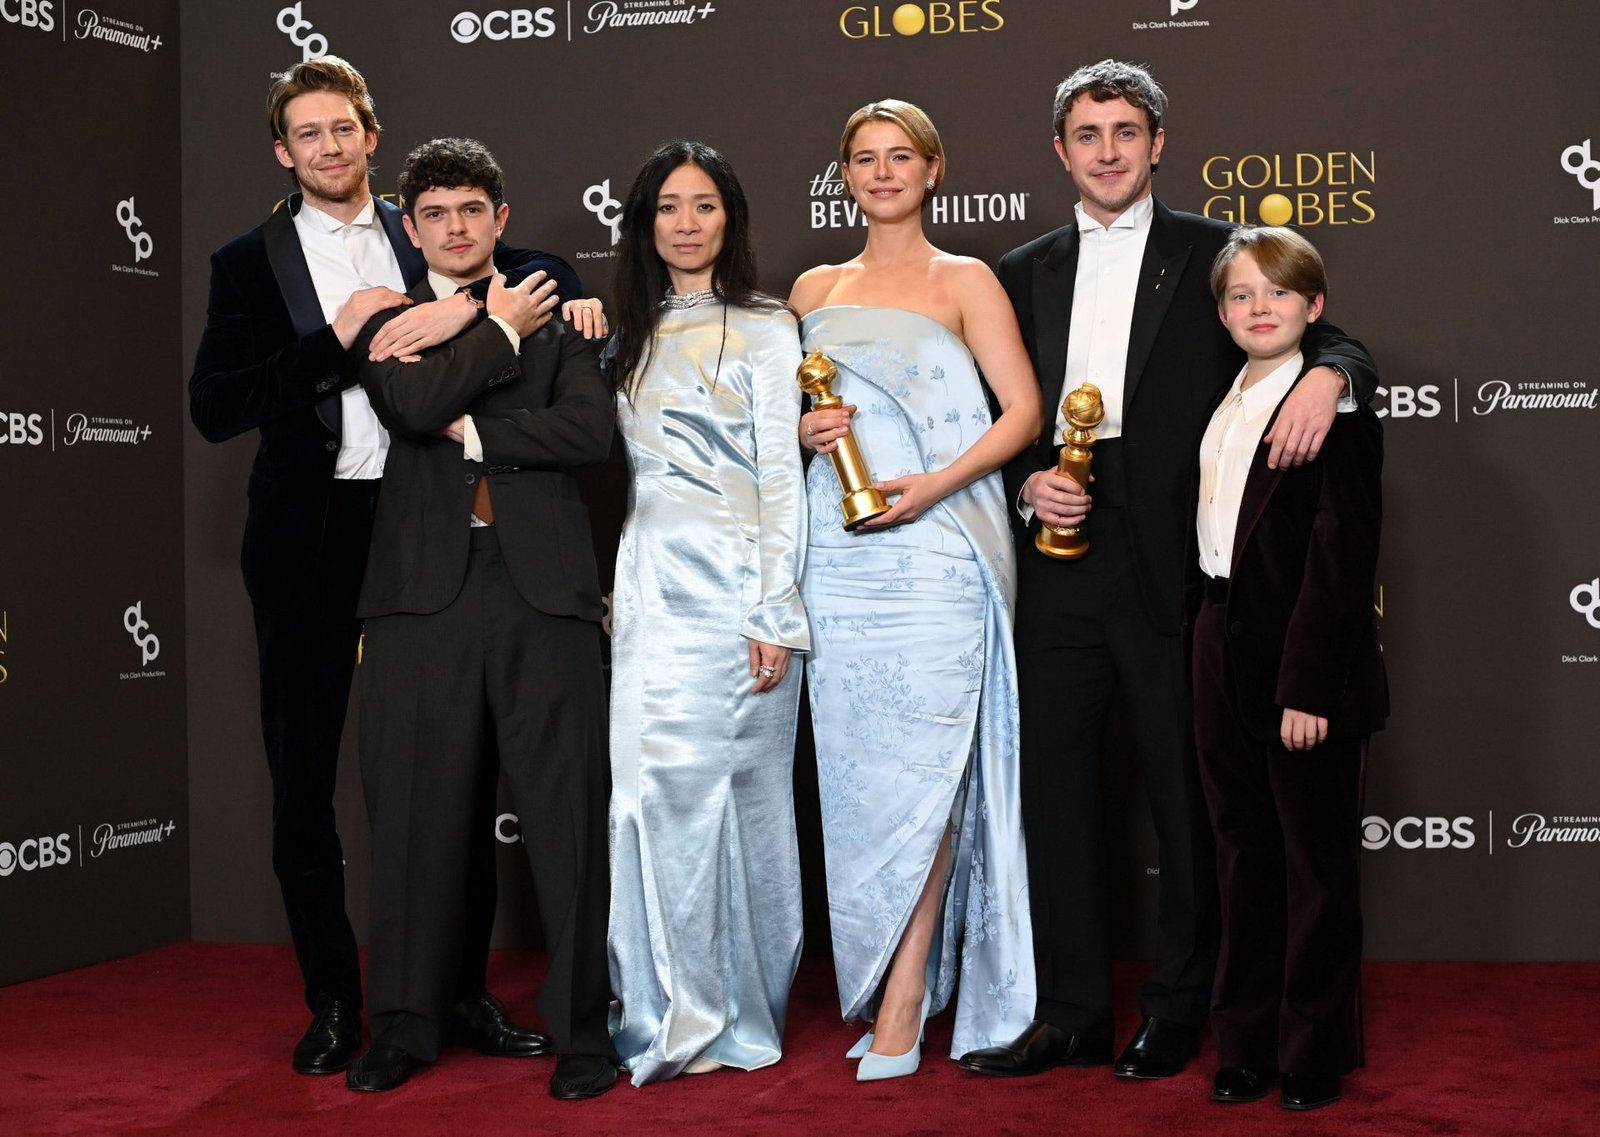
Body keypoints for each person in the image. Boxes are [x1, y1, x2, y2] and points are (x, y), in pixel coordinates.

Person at [958, 59, 1377, 1082]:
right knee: (1056, 793)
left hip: (1177, 569)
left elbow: (1321, 329)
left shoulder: (1211, 252)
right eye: (1087, 134)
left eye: (1125, 133)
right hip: (1054, 560)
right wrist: (1024, 480)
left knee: (1188, 802)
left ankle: (1181, 1006)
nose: (1106, 152)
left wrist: (1333, 374)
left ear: (1156, 145)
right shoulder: (1017, 270)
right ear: (1060, 151)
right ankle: (1068, 1012)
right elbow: (979, 409)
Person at [187, 55, 581, 1075]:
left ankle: (458, 992)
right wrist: (339, 335)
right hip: (310, 537)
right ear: (283, 152)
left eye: (342, 128)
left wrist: (509, 307)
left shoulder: (427, 223)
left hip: (430, 522)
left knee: (460, 763)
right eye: (306, 134)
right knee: (305, 777)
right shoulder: (246, 262)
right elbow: (216, 407)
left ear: (371, 134)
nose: (328, 147)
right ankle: (333, 998)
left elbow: (539, 277)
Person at [345, 137, 619, 1100]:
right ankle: (404, 1022)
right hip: (421, 592)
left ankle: (585, 1027)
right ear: (410, 227)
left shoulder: (563, 314)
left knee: (569, 814)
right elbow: (410, 400)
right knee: (413, 818)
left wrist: (473, 428)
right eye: (435, 214)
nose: (455, 228)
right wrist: (495, 331)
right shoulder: (386, 320)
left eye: (472, 210)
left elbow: (588, 430)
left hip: (543, 587)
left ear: (500, 219)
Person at [792, 99, 1043, 1082]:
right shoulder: (813, 289)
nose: (883, 172)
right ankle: (885, 975)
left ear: (933, 169)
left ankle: (905, 995)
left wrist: (935, 486)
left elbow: (1022, 411)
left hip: (939, 554)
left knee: (932, 773)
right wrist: (802, 430)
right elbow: (783, 423)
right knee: (863, 782)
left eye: (901, 156)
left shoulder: (966, 279)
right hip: (839, 558)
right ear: (845, 176)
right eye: (864, 158)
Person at [604, 140, 810, 1085]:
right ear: (644, 224)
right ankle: (656, 1002)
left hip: (737, 591)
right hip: (650, 589)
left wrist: (774, 607)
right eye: (668, 208)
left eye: (704, 206)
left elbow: (779, 473)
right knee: (645, 796)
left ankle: (734, 1007)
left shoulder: (766, 325)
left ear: (731, 219)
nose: (686, 224)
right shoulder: (624, 330)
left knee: (736, 800)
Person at [1192, 227, 1386, 1112]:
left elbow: (1341, 559)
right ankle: (1246, 1041)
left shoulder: (1332, 407)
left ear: (1315, 305)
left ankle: (1312, 1048)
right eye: (1241, 294)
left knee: (1314, 865)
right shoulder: (1220, 397)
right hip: (1217, 642)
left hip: (1300, 657)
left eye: (1277, 292)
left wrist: (1307, 687)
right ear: (1222, 312)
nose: (1258, 307)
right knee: (1242, 854)